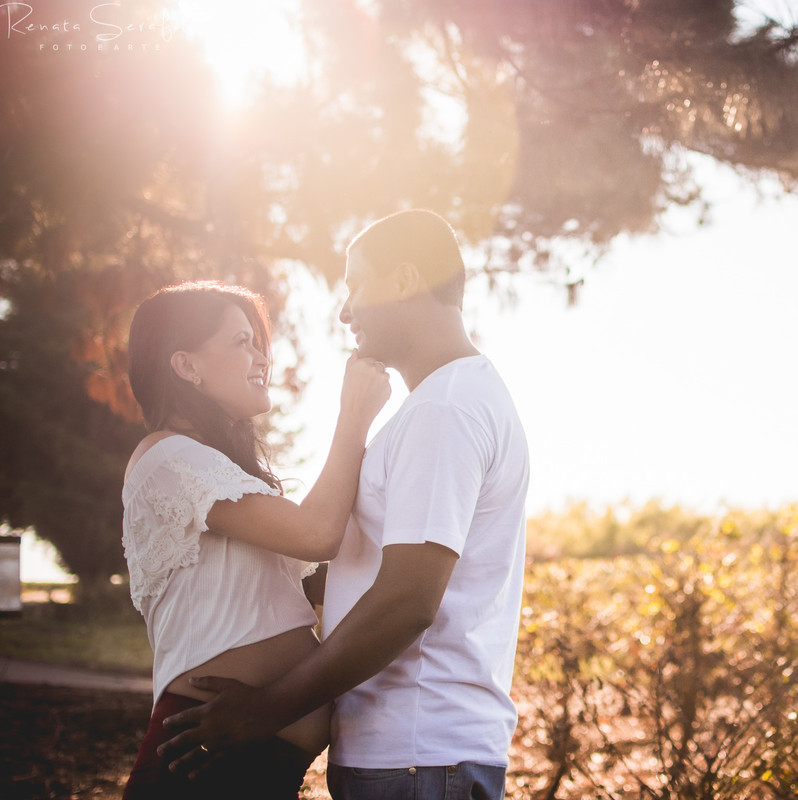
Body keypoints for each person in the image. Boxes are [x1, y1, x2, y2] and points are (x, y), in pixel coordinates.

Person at [160, 210, 530, 800]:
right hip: (411, 757)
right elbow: (374, 577)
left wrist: (263, 710)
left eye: (357, 284)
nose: (344, 310)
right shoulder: (439, 406)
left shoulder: (445, 410)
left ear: (405, 281)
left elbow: (408, 599)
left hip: (417, 757)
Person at [120, 280, 391, 799]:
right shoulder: (167, 458)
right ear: (186, 365)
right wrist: (354, 414)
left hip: (258, 767)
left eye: (257, 342)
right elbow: (318, 534)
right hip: (201, 764)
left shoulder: (224, 476)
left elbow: (336, 580)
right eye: (241, 341)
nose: (260, 355)